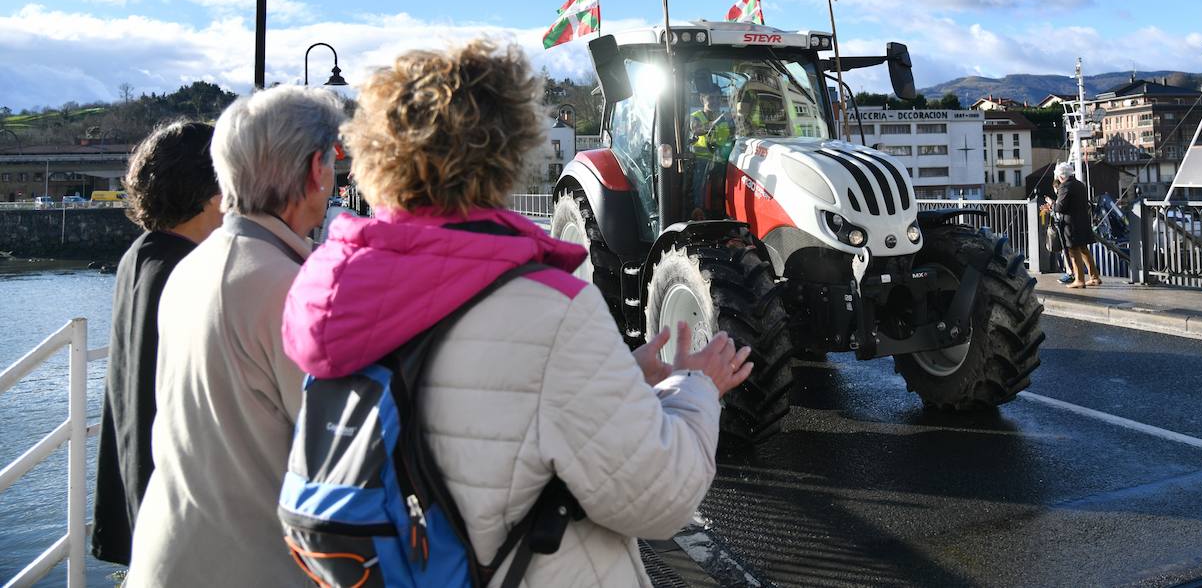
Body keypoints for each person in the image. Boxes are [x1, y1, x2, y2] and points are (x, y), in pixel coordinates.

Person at [282, 41, 752, 588]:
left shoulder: (331, 292)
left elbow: (489, 407)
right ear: (508, 151)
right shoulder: (547, 310)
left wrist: (620, 376)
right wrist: (694, 389)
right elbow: (658, 498)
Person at [126, 87, 344, 587]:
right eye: (333, 161)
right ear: (316, 169)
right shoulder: (291, 289)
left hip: (170, 554)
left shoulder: (193, 264)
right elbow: (339, 452)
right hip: (252, 566)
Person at [91, 121, 221, 566]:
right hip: (179, 512)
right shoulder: (189, 270)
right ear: (213, 192)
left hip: (140, 497)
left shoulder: (141, 255)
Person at [1052, 161, 1101, 288]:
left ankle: (1079, 280)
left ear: (1061, 176)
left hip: (1071, 224)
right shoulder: (1080, 184)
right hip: (1083, 221)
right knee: (1084, 250)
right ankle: (1094, 277)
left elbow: (1060, 207)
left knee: (1073, 250)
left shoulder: (1065, 186)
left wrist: (1052, 204)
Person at [688, 87, 735, 216]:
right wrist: (718, 120)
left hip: (722, 161)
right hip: (701, 161)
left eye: (718, 98)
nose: (715, 101)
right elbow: (698, 130)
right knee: (700, 188)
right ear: (702, 99)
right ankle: (699, 211)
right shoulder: (695, 117)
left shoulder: (727, 119)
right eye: (711, 98)